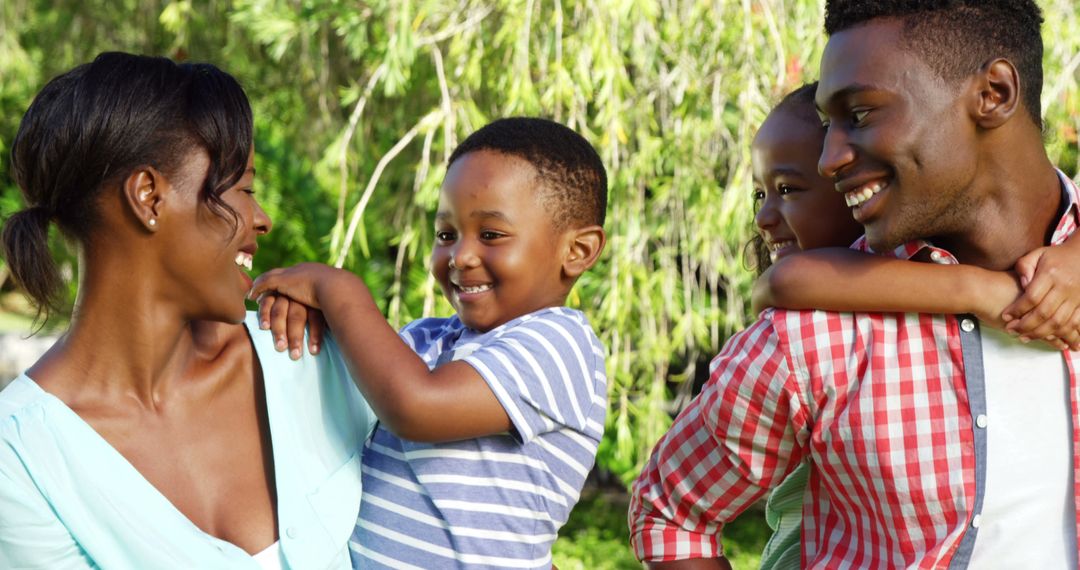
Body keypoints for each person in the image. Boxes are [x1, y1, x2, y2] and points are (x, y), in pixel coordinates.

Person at [629, 1, 1080, 567]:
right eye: (825, 127)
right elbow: (671, 514)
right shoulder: (814, 335)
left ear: (993, 93)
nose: (828, 159)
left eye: (860, 114)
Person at [0, 52, 375, 569]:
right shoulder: (20, 464)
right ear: (149, 197)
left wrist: (349, 308)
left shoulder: (309, 353)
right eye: (244, 188)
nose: (260, 219)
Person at [248, 117, 609, 569]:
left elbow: (414, 405)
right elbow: (357, 392)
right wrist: (309, 316)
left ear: (576, 251)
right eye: (446, 235)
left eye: (491, 235)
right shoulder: (423, 340)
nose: (460, 256)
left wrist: (338, 292)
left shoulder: (561, 344)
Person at [749, 82, 1080, 568]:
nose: (762, 216)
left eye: (787, 190)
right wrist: (981, 291)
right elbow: (780, 282)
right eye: (760, 192)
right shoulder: (817, 314)